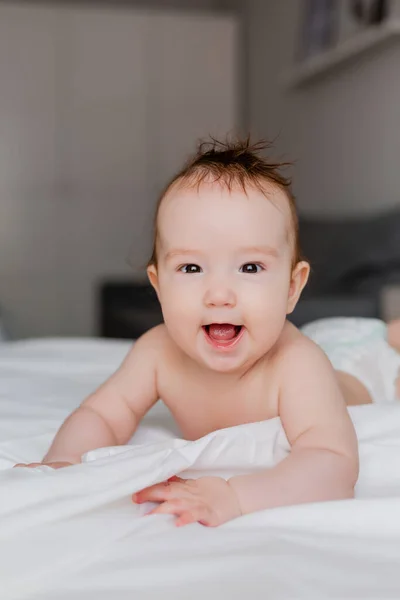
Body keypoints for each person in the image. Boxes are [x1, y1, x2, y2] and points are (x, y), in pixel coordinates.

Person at [15, 139, 400, 528]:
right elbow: (103, 414)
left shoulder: (297, 363)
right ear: (159, 284)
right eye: (191, 268)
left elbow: (332, 463)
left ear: (291, 288)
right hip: (330, 339)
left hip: (360, 366)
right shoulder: (157, 352)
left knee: (386, 349)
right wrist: (64, 463)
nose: (218, 295)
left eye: (250, 268)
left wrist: (237, 495)